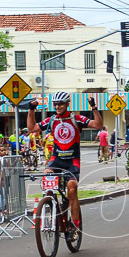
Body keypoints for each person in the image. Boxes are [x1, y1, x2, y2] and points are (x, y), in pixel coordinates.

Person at [26, 91, 103, 230]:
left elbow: (98, 125)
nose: (57, 107)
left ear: (67, 104)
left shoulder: (76, 119)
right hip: (56, 160)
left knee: (72, 189)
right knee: (47, 181)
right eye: (55, 104)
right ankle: (53, 206)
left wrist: (93, 107)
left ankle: (74, 224)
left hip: (72, 161)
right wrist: (31, 110)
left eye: (60, 104)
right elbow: (32, 128)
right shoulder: (52, 120)